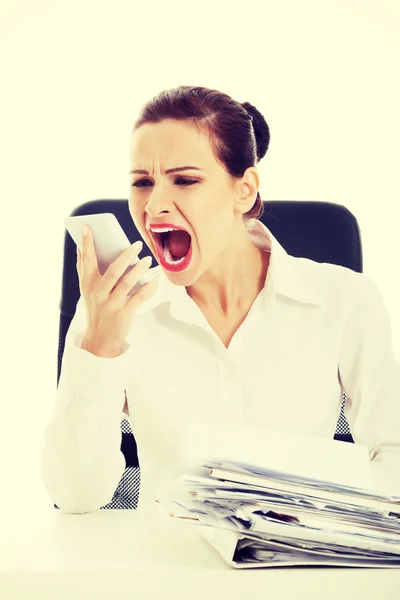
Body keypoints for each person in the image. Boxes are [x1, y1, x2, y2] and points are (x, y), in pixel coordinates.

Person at [40, 85, 400, 514]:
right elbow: (74, 497)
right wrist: (101, 345)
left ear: (243, 190)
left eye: (185, 180)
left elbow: (392, 455)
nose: (154, 206)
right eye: (142, 183)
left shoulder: (346, 301)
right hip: (166, 567)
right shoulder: (111, 313)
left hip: (300, 567)